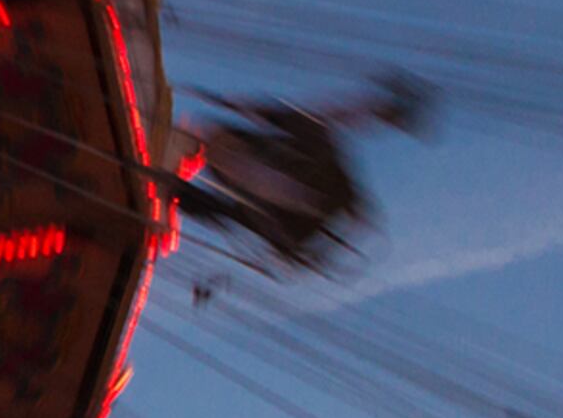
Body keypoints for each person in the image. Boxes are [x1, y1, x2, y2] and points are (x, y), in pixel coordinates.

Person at [174, 73, 435, 273]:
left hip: (281, 191)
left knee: (253, 192)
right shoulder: (314, 154)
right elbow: (306, 119)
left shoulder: (311, 180)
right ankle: (388, 108)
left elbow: (230, 214)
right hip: (274, 179)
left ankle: (388, 108)